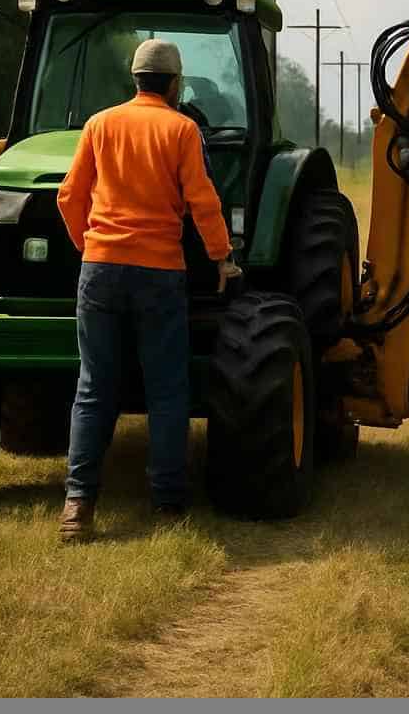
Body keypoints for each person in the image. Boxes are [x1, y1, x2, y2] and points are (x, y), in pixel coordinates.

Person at [54, 39, 241, 542]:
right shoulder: (182, 129)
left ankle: (78, 506)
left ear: (135, 79)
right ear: (175, 84)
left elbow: (69, 196)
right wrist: (221, 257)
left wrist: (90, 247)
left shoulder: (100, 124)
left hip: (100, 268)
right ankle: (167, 503)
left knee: (94, 388)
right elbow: (202, 199)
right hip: (159, 273)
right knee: (166, 389)